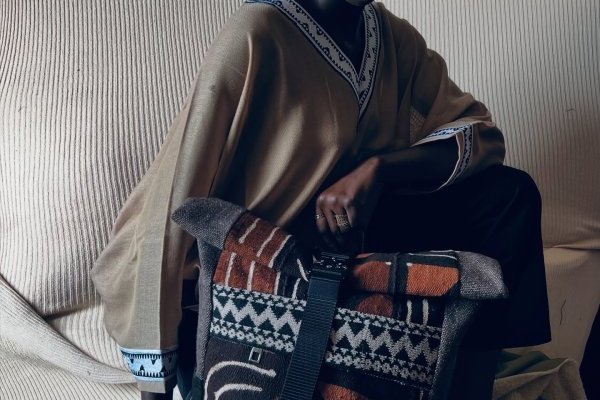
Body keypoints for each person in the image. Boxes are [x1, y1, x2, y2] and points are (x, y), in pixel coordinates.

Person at [91, 0, 551, 399]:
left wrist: (380, 170)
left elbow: (479, 133)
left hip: (346, 245)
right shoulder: (256, 32)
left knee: (507, 198)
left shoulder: (391, 38)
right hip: (257, 272)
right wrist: (155, 376)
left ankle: (467, 389)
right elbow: (173, 196)